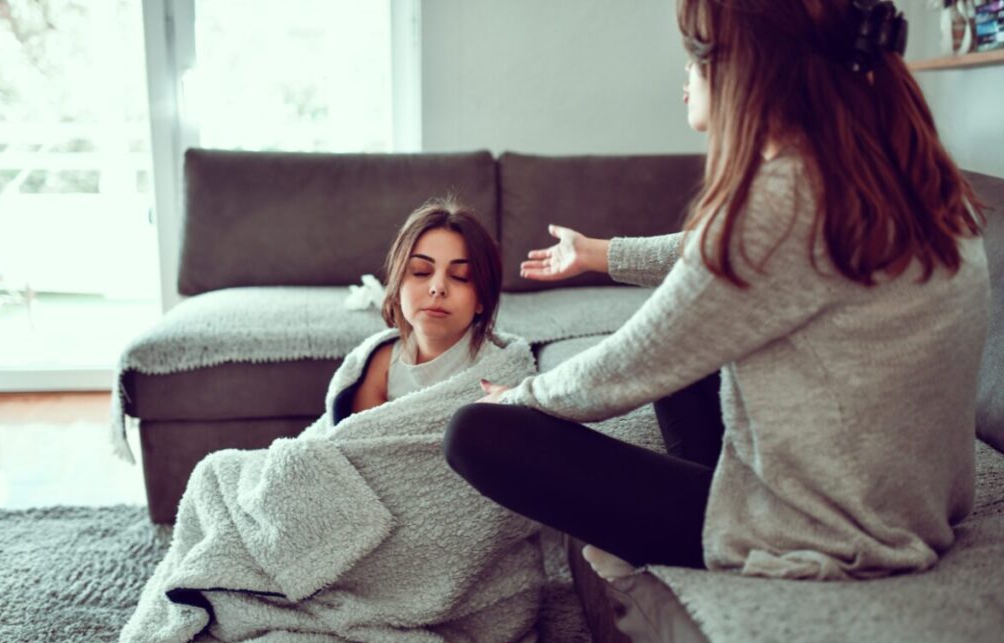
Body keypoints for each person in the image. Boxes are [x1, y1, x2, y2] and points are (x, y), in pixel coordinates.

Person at [443, 0, 991, 581]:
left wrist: (516, 398)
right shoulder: (904, 176)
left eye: (694, 56)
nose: (685, 74)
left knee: (475, 434)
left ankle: (689, 541)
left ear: (743, 70)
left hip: (829, 532)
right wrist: (599, 254)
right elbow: (714, 259)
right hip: (911, 503)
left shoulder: (781, 203)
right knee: (690, 345)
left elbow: (629, 365)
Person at [331, 195, 503, 423]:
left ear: (482, 298)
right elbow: (359, 445)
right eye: (421, 271)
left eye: (460, 277)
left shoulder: (499, 370)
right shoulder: (381, 363)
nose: (438, 288)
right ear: (398, 286)